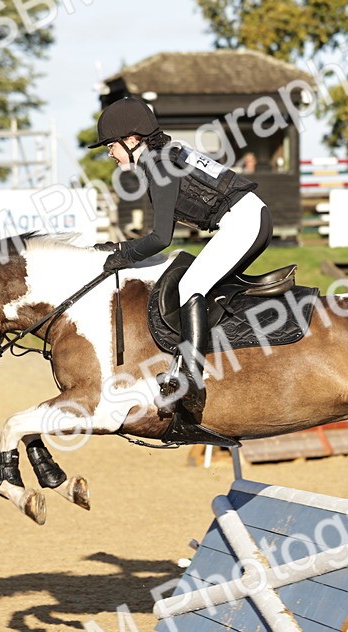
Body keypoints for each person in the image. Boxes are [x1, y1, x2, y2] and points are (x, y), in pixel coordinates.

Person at [88, 97, 270, 420]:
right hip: (249, 217)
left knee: (190, 285)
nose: (110, 154)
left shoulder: (160, 166)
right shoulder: (162, 157)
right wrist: (124, 249)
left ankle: (191, 382)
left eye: (111, 146)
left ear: (132, 140)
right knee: (200, 283)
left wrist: (122, 253)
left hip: (244, 221)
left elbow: (161, 238)